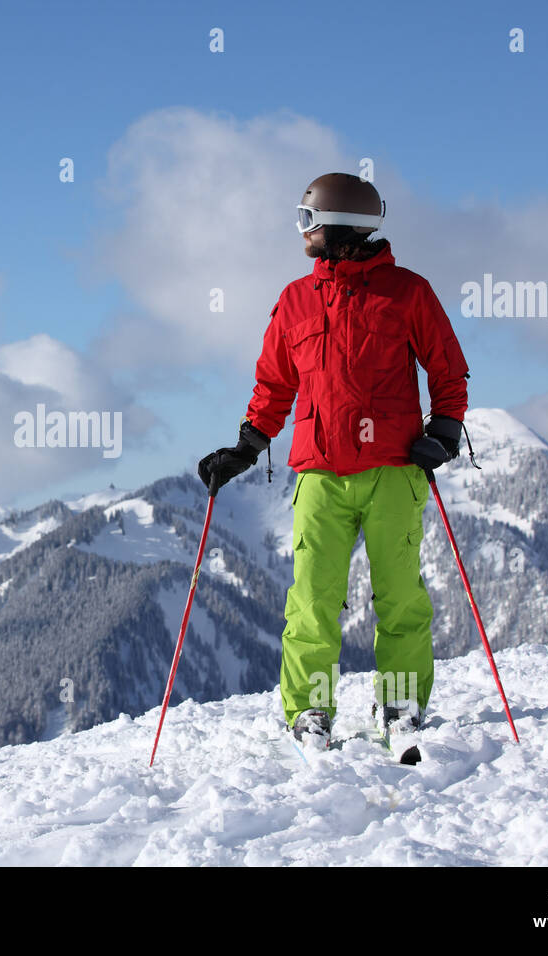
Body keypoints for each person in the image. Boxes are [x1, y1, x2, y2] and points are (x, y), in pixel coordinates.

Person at [197, 172, 470, 750]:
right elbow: (274, 384)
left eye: (308, 221)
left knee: (400, 599)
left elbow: (447, 367)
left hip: (394, 470)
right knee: (312, 604)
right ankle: (309, 713)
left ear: (339, 227)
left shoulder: (407, 292)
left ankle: (399, 708)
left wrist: (442, 434)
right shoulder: (296, 300)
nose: (302, 233)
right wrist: (245, 449)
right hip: (319, 476)